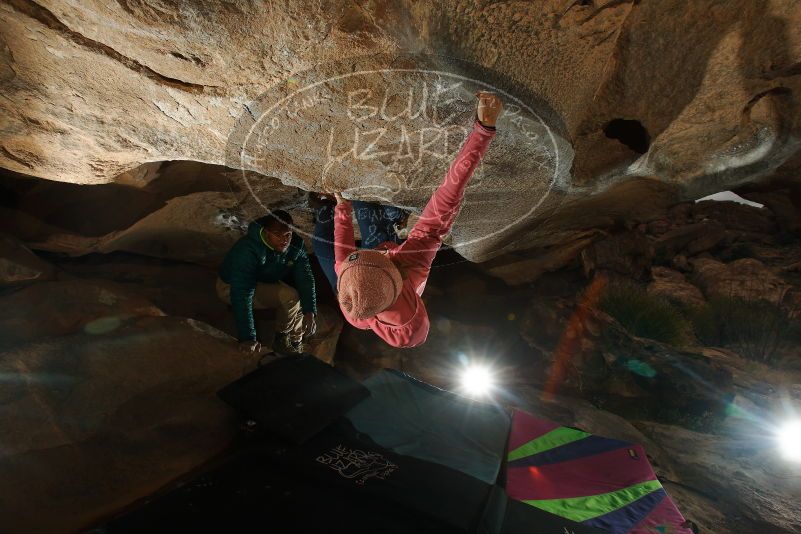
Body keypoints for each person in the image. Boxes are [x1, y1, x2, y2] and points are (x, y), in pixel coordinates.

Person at [313, 91, 502, 348]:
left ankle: (324, 207)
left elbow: (341, 255)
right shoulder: (413, 264)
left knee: (321, 244)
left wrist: (341, 208)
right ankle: (391, 221)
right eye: (376, 256)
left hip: (364, 279)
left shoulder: (354, 310)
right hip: (390, 260)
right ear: (397, 278)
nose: (373, 252)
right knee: (367, 211)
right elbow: (447, 197)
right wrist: (483, 131)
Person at [217, 210, 317, 355]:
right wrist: (248, 337)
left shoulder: (296, 245)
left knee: (301, 302)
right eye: (277, 234)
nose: (284, 240)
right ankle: (282, 339)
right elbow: (241, 292)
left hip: (262, 280)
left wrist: (310, 312)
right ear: (266, 232)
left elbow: (305, 278)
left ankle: (296, 342)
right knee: (290, 296)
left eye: (287, 235)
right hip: (230, 286)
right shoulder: (248, 249)